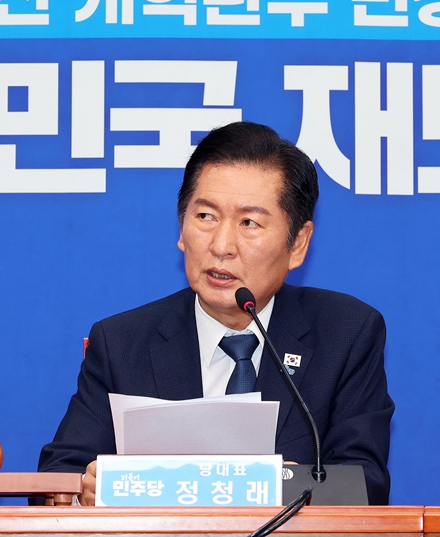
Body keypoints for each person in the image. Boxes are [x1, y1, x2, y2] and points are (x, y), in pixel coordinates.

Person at [38, 121, 394, 504]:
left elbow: (365, 484)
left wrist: (274, 485)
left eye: (249, 223)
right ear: (181, 228)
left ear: (298, 243)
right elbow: (57, 477)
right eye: (206, 216)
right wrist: (84, 490)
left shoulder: (345, 334)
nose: (222, 246)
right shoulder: (122, 343)